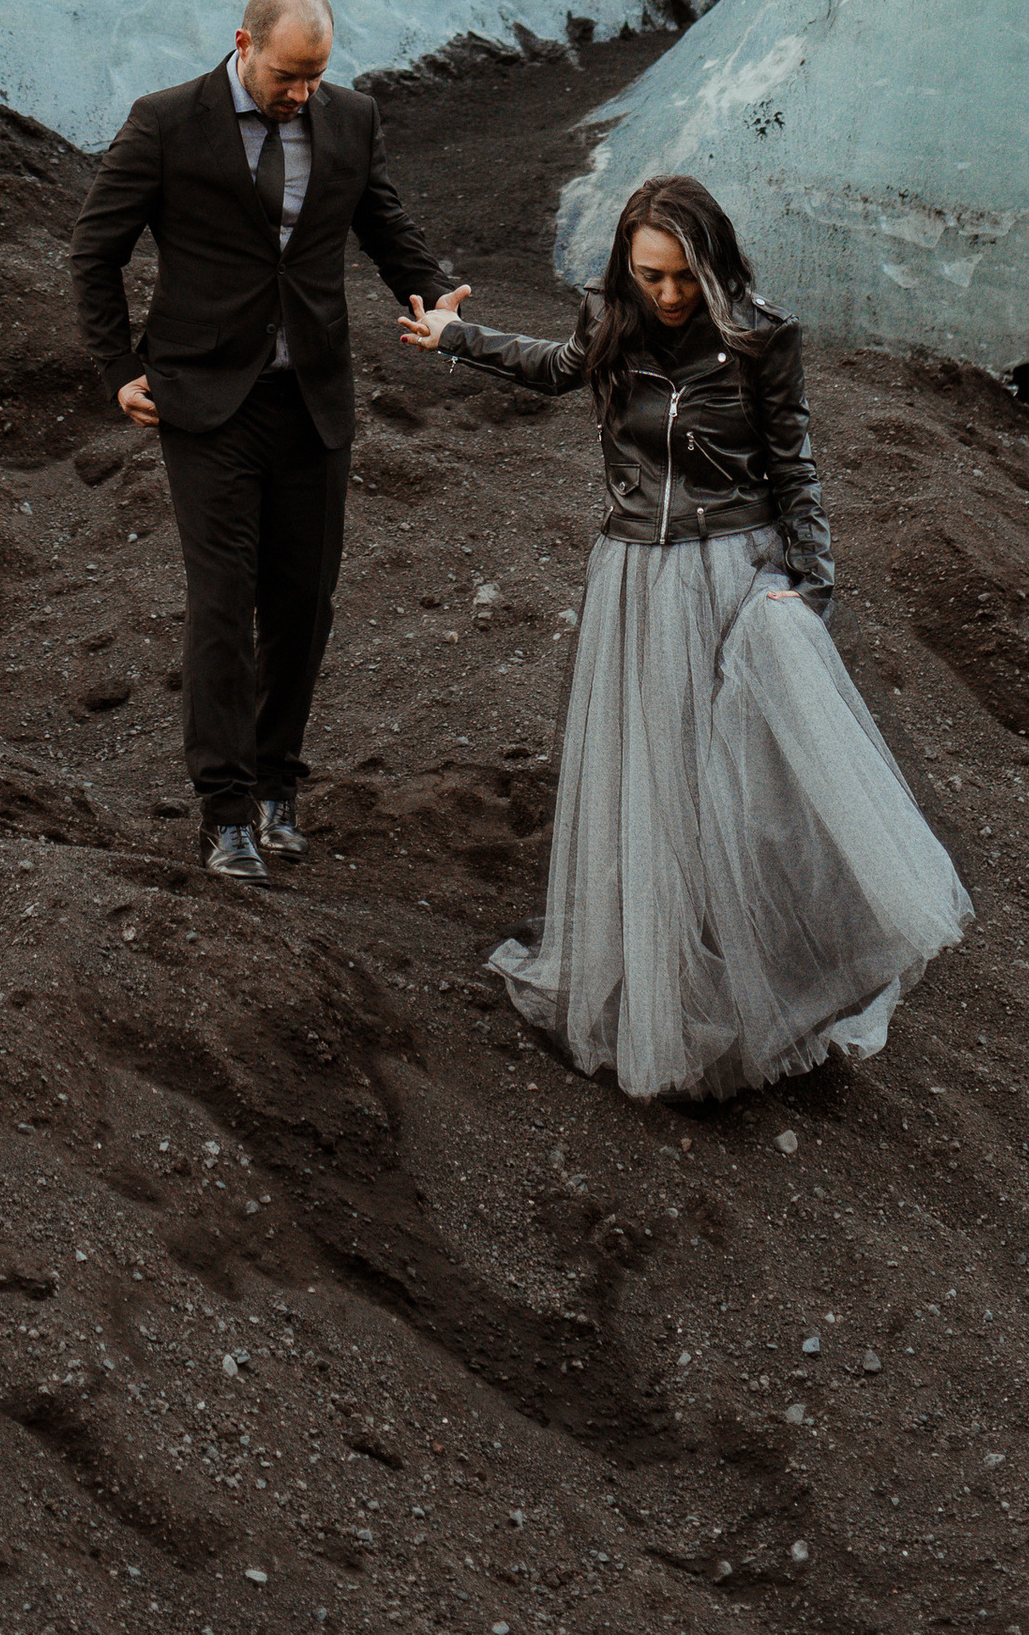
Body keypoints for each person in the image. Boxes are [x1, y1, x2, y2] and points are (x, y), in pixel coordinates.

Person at [399, 173, 970, 1101]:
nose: (667, 294)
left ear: (714, 262)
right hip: (636, 581)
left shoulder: (761, 337)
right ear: (627, 266)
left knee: (743, 786)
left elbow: (794, 466)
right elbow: (554, 368)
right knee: (656, 784)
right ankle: (670, 991)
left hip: (738, 574)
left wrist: (812, 590)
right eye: (650, 275)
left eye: (683, 277)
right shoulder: (608, 318)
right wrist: (454, 336)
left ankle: (780, 985)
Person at [69, 0, 453, 885]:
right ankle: (226, 812)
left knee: (302, 605)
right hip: (205, 402)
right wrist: (117, 367)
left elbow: (382, 223)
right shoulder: (165, 122)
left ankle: (279, 789)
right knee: (222, 602)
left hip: (312, 398)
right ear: (244, 43)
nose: (302, 93)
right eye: (288, 76)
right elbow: (94, 249)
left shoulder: (351, 119)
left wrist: (435, 294)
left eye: (316, 76)